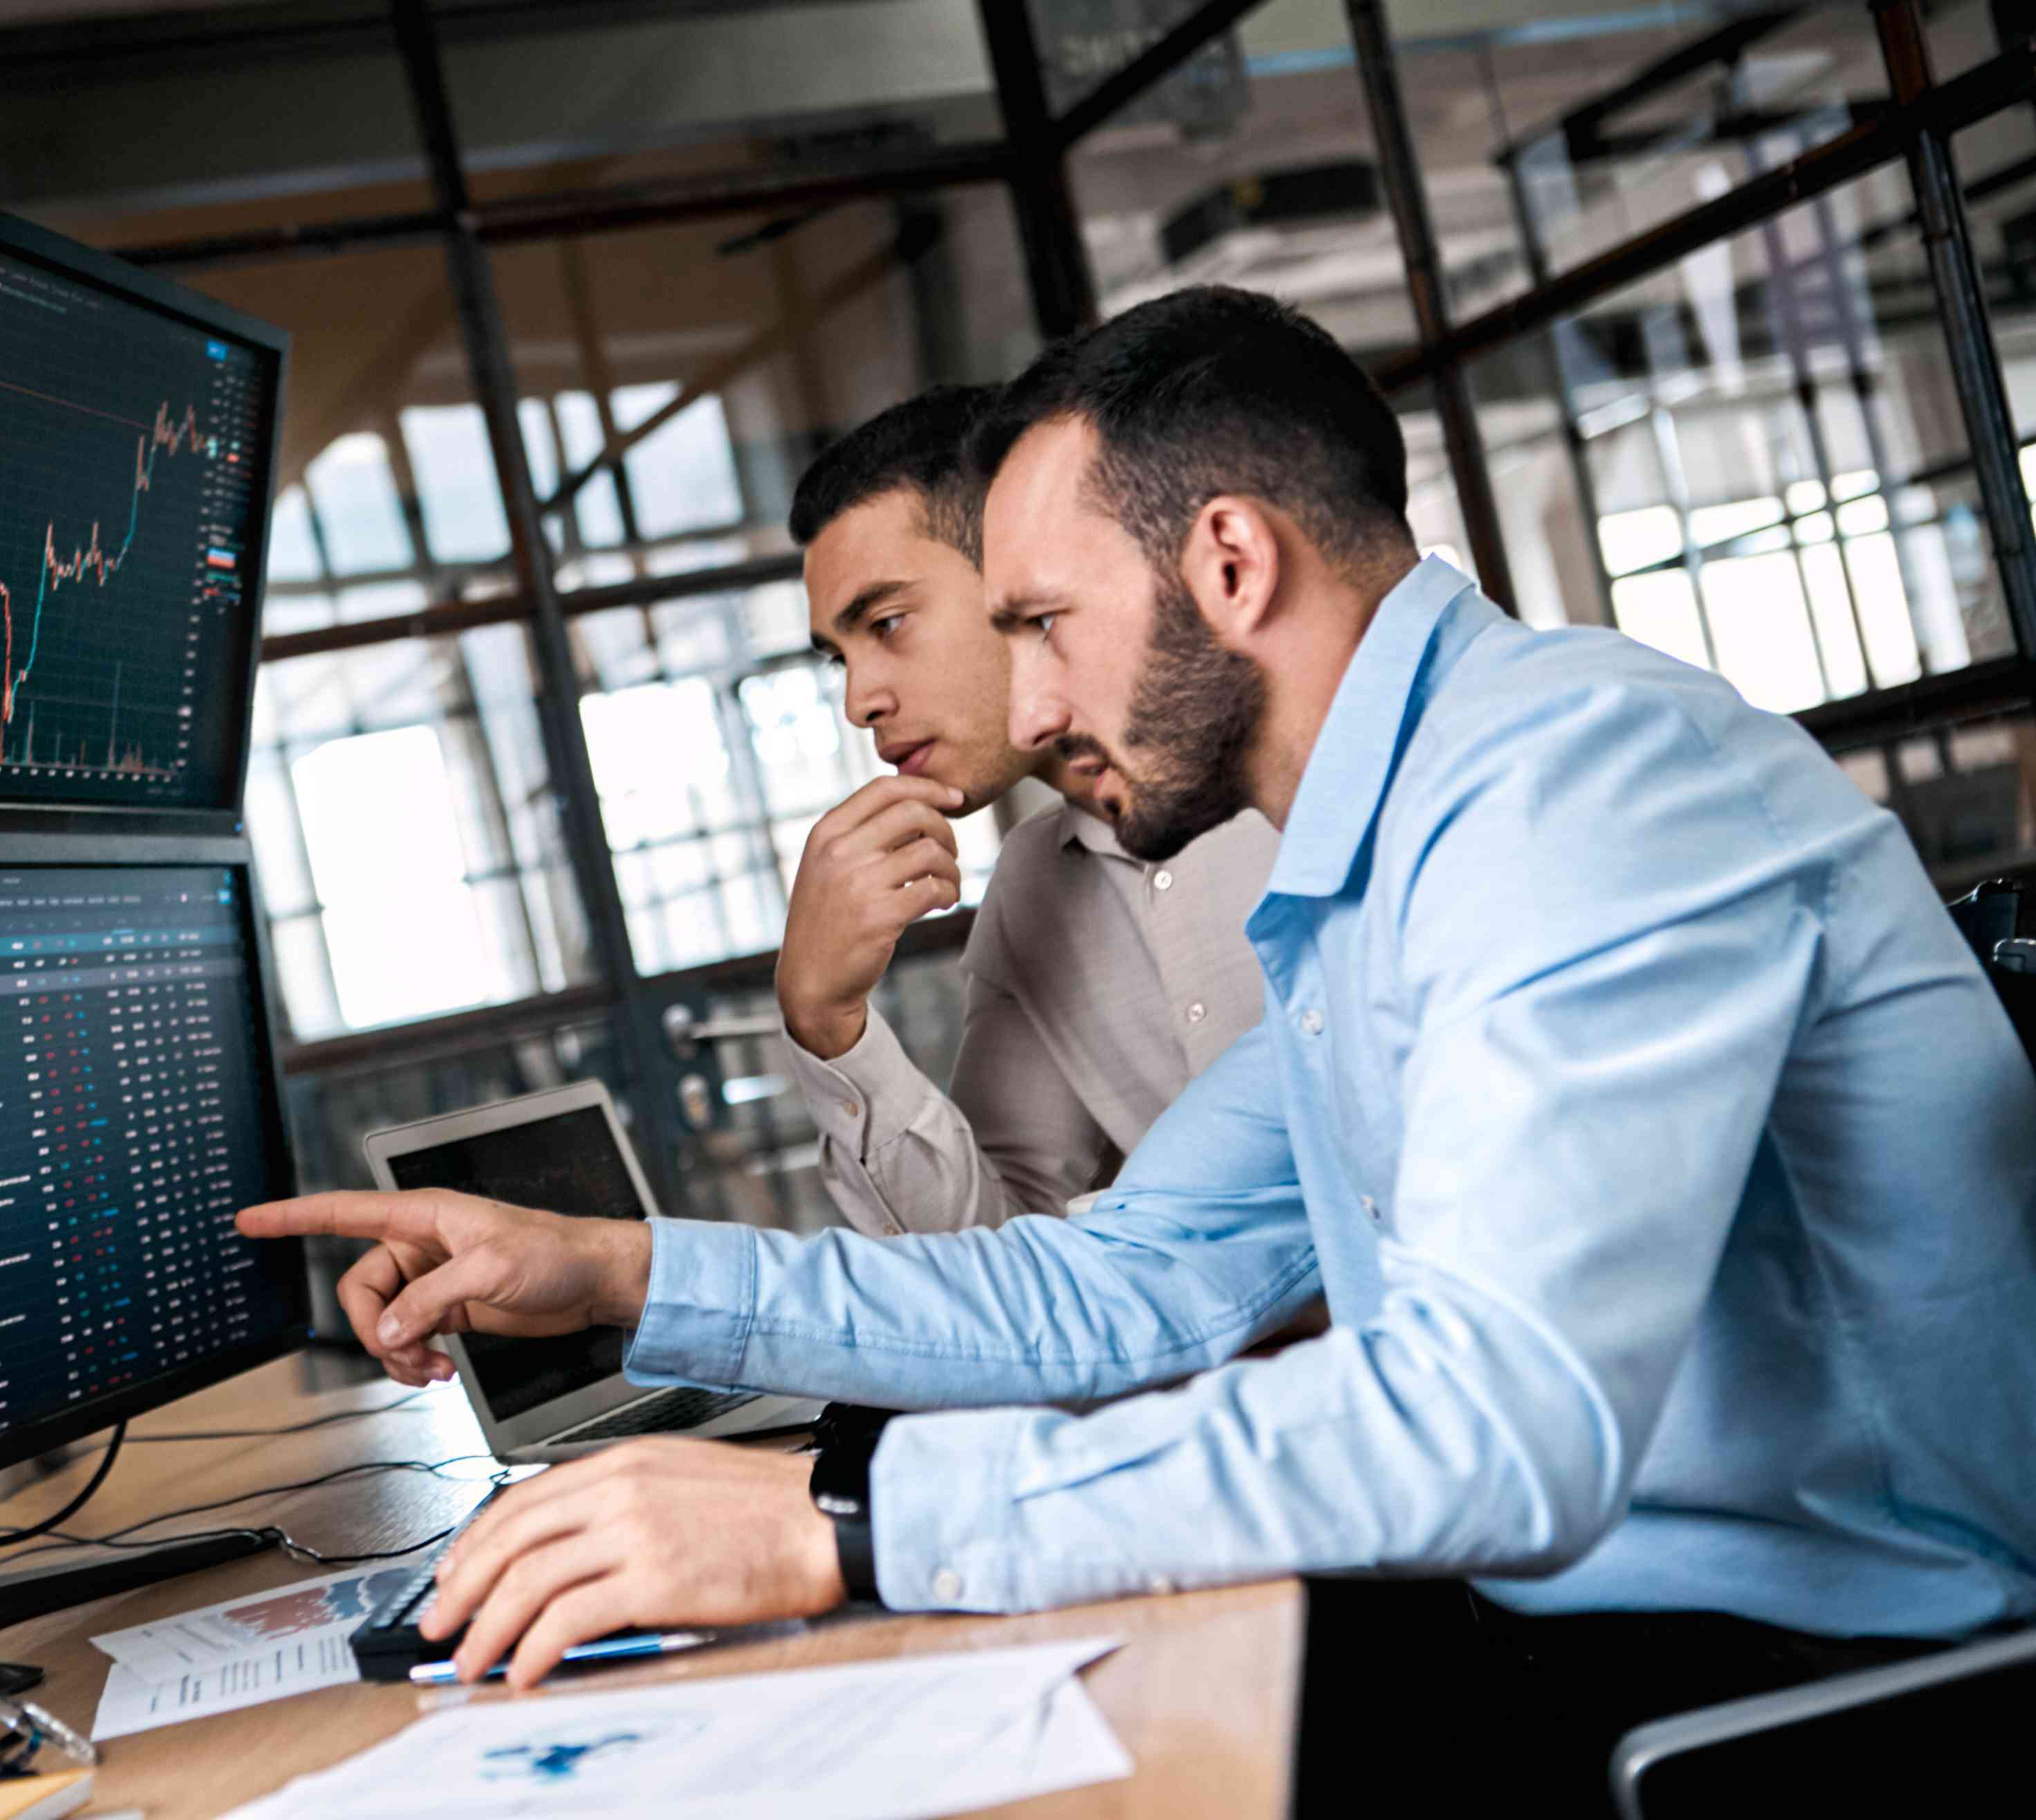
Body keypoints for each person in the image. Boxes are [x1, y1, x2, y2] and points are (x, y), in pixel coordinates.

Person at [243, 287, 2036, 1806]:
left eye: (1039, 626)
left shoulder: (1567, 789)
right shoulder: (1389, 847)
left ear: (1231, 561)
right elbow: (1127, 1287)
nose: (1014, 707)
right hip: (1591, 1635)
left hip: (1835, 1692)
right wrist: (621, 1270)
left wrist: (838, 1531)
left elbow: (1500, 1428)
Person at [780, 385, 1276, 1233]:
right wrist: (826, 1023)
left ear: (1020, 570)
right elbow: (992, 1262)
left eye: (889, 623)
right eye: (840, 658)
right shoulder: (1032, 891)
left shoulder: (1291, 785)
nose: (860, 699)